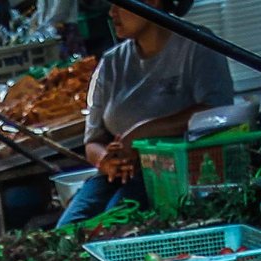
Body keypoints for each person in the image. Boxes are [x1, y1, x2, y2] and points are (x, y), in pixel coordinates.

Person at [57, 0, 236, 226]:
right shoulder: (110, 63)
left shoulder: (197, 45)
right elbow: (93, 141)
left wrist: (145, 133)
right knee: (67, 231)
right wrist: (107, 161)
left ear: (152, 2)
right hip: (117, 176)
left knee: (117, 225)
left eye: (120, 4)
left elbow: (217, 110)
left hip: (177, 176)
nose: (112, 13)